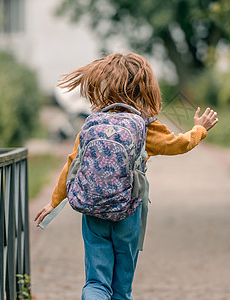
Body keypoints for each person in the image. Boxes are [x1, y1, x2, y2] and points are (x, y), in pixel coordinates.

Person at [34, 53, 218, 300]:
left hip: (93, 210)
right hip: (128, 212)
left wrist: (53, 202)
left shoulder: (93, 123)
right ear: (145, 88)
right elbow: (177, 144)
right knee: (121, 287)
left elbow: (72, 164)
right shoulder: (145, 125)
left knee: (96, 282)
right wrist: (199, 130)